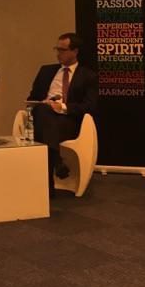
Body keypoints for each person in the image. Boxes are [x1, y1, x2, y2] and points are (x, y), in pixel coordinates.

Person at [27, 33, 97, 194]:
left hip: (68, 122)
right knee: (43, 111)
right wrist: (44, 103)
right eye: (56, 49)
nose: (58, 53)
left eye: (62, 50)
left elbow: (90, 106)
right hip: (42, 117)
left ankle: (48, 183)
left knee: (43, 128)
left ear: (75, 51)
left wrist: (63, 107)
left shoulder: (88, 76)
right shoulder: (46, 71)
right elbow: (32, 98)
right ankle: (57, 162)